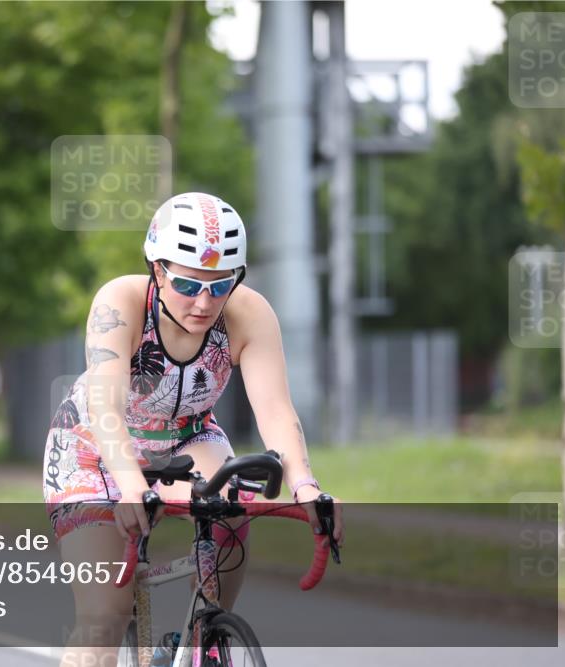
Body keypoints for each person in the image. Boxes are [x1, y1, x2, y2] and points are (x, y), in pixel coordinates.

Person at [42, 192, 345, 666]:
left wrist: (307, 485)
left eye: (220, 285)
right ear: (157, 270)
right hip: (95, 446)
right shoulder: (118, 303)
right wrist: (127, 485)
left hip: (187, 436)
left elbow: (275, 409)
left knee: (232, 509)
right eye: (187, 284)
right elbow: (106, 405)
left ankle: (207, 634)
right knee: (105, 615)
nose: (204, 303)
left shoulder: (250, 314)